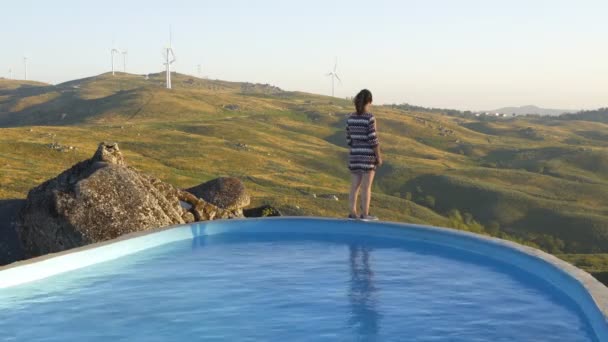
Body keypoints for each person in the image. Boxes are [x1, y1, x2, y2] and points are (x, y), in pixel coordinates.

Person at [346, 89, 382, 220]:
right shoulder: (370, 118)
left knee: (354, 186)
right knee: (366, 187)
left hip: (355, 154)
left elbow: (349, 139)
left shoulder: (350, 118)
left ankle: (352, 213)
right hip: (367, 157)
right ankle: (365, 214)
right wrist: (378, 157)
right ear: (369, 102)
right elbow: (373, 139)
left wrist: (356, 147)